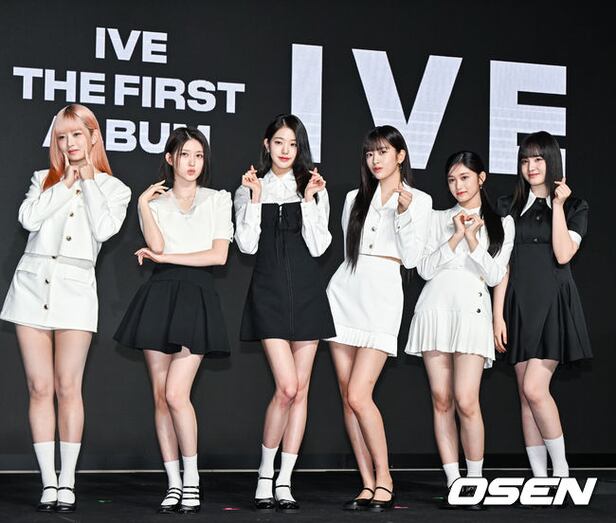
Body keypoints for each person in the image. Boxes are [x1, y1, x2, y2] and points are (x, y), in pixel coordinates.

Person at [0, 104, 131, 512]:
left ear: (93, 136)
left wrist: (87, 181)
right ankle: (48, 481)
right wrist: (64, 182)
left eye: (77, 134)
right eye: (62, 136)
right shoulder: (43, 179)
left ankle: (68, 480)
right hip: (31, 285)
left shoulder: (114, 188)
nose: (69, 143)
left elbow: (104, 229)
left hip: (76, 290)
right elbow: (28, 219)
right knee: (39, 387)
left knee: (68, 386)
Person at [114, 127, 233, 514]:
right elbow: (157, 245)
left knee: (177, 394)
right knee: (161, 396)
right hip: (160, 296)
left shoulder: (218, 199)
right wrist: (142, 204)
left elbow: (218, 256)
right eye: (185, 155)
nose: (192, 162)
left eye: (199, 155)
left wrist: (166, 259)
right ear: (170, 159)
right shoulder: (155, 203)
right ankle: (174, 484)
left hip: (196, 295)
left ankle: (192, 480)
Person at [327, 125, 432, 512]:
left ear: (400, 156)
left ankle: (385, 477)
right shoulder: (353, 197)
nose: (375, 160)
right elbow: (349, 248)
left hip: (383, 295)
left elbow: (412, 259)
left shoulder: (419, 200)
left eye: (383, 152)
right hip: (345, 293)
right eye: (370, 153)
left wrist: (402, 214)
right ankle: (367, 483)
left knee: (360, 394)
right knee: (347, 397)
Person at [234, 114, 335, 512]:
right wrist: (255, 199)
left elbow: (320, 246)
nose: (285, 150)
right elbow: (246, 245)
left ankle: (285, 480)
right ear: (267, 144)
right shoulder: (249, 187)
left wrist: (309, 200)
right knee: (287, 388)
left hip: (308, 293)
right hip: (268, 293)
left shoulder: (313, 187)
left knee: (301, 391)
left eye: (292, 144)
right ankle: (265, 473)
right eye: (279, 142)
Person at [405, 151, 514, 508]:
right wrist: (454, 236)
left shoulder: (503, 224)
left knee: (467, 400)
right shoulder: (438, 219)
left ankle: (475, 481)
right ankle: (454, 482)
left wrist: (472, 239)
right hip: (435, 311)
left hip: (473, 313)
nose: (458, 186)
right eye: (452, 180)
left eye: (465, 177)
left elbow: (495, 276)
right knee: (442, 400)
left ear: (481, 178)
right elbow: (424, 269)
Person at [493, 131, 592, 483]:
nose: (531, 166)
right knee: (525, 395)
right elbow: (502, 266)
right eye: (525, 160)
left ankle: (561, 473)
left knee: (535, 389)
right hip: (518, 305)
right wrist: (497, 315)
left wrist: (558, 206)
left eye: (538, 159)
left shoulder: (575, 206)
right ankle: (539, 478)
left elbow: (563, 254)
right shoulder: (507, 206)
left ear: (552, 161)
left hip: (553, 303)